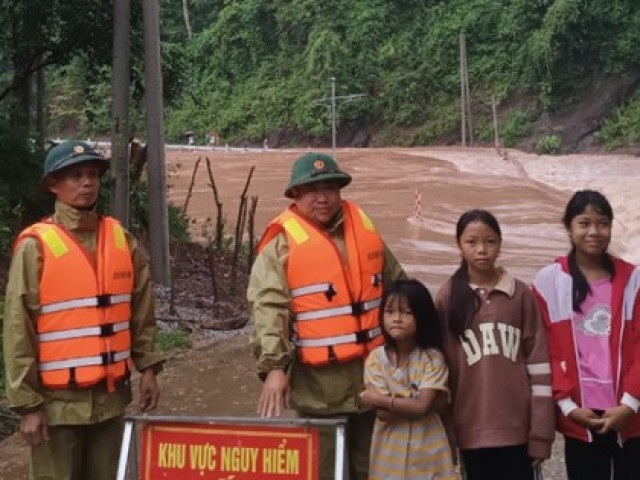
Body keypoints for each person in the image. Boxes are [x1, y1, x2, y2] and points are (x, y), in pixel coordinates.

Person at [3, 140, 164, 480]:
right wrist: (28, 406)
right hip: (56, 408)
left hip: (110, 402)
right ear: (53, 185)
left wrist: (148, 367)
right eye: (75, 175)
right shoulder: (36, 247)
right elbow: (19, 328)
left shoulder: (121, 240)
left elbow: (141, 310)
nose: (87, 182)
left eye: (92, 174)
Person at [248, 152, 405, 480]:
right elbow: (268, 309)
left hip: (375, 383)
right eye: (311, 190)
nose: (322, 198)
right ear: (295, 195)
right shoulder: (280, 246)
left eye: (330, 188)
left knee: (375, 472)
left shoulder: (363, 227)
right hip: (319, 392)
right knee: (322, 472)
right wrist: (275, 368)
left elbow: (400, 287)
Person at [436, 209, 554, 480]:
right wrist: (449, 433)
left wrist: (541, 434)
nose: (481, 250)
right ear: (459, 245)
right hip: (471, 431)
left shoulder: (520, 295)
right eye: (472, 242)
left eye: (490, 241)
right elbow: (443, 373)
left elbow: (539, 367)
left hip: (518, 431)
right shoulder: (447, 297)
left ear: (500, 244)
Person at [532, 190, 640, 480]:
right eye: (584, 223)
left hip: (629, 410)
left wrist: (630, 404)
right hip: (582, 414)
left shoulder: (633, 280)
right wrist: (567, 407)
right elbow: (546, 351)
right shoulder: (549, 282)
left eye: (603, 223)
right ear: (569, 228)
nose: (594, 231)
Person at [359, 279, 457, 480]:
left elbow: (421, 406)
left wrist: (379, 400)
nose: (397, 319)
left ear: (422, 316)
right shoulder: (376, 360)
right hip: (388, 459)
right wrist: (417, 404)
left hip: (428, 455)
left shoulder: (432, 358)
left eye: (407, 312)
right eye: (390, 311)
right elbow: (383, 414)